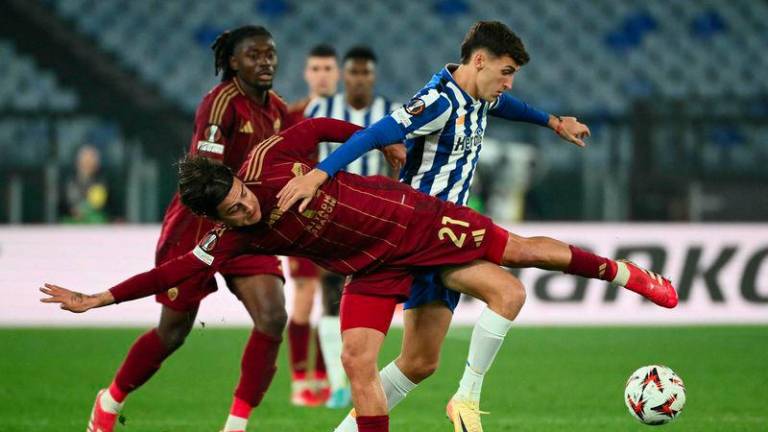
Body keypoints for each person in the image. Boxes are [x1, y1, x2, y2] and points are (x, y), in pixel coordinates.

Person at [41, 118, 677, 432]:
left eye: (242, 196)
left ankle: (625, 274)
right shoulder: (232, 238)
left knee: (524, 257)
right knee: (357, 359)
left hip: (416, 222)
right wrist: (100, 297)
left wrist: (380, 143)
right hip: (369, 270)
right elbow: (179, 269)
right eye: (233, 211)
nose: (247, 207)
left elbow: (318, 129)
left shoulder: (269, 160)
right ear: (215, 216)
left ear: (239, 177)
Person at [282, 20, 594, 432]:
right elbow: (376, 133)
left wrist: (553, 122)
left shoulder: (481, 95)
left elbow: (508, 107)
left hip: (449, 235)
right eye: (507, 72)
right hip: (409, 233)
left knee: (421, 362)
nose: (510, 84)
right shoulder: (438, 100)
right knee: (504, 291)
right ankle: (464, 398)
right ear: (479, 61)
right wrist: (319, 175)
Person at [80, 25, 291, 432]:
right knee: (173, 333)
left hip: (248, 224)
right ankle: (109, 400)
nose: (264, 62)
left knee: (272, 316)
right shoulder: (220, 105)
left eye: (270, 54)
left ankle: (235, 426)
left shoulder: (278, 109)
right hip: (196, 227)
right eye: (254, 55)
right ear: (232, 62)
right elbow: (205, 177)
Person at [296, 45, 401, 409]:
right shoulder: (320, 110)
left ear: (373, 76)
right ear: (345, 75)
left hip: (377, 217)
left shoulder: (390, 113)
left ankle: (362, 375)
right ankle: (339, 385)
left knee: (369, 295)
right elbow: (304, 157)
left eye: (365, 73)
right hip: (333, 214)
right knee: (329, 291)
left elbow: (398, 163)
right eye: (353, 72)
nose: (359, 79)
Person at [285, 43, 340, 407]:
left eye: (327, 68)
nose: (322, 74)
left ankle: (327, 376)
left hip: (340, 222)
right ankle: (300, 379)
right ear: (307, 74)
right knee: (305, 298)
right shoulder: (294, 116)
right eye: (316, 68)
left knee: (334, 302)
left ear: (337, 74)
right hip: (302, 222)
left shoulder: (348, 116)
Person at [60, 145, 111, 224]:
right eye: (86, 160)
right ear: (78, 162)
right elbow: (61, 205)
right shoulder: (67, 182)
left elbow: (110, 207)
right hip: (70, 225)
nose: (88, 163)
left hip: (96, 226)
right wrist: (71, 211)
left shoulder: (104, 183)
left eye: (92, 159)